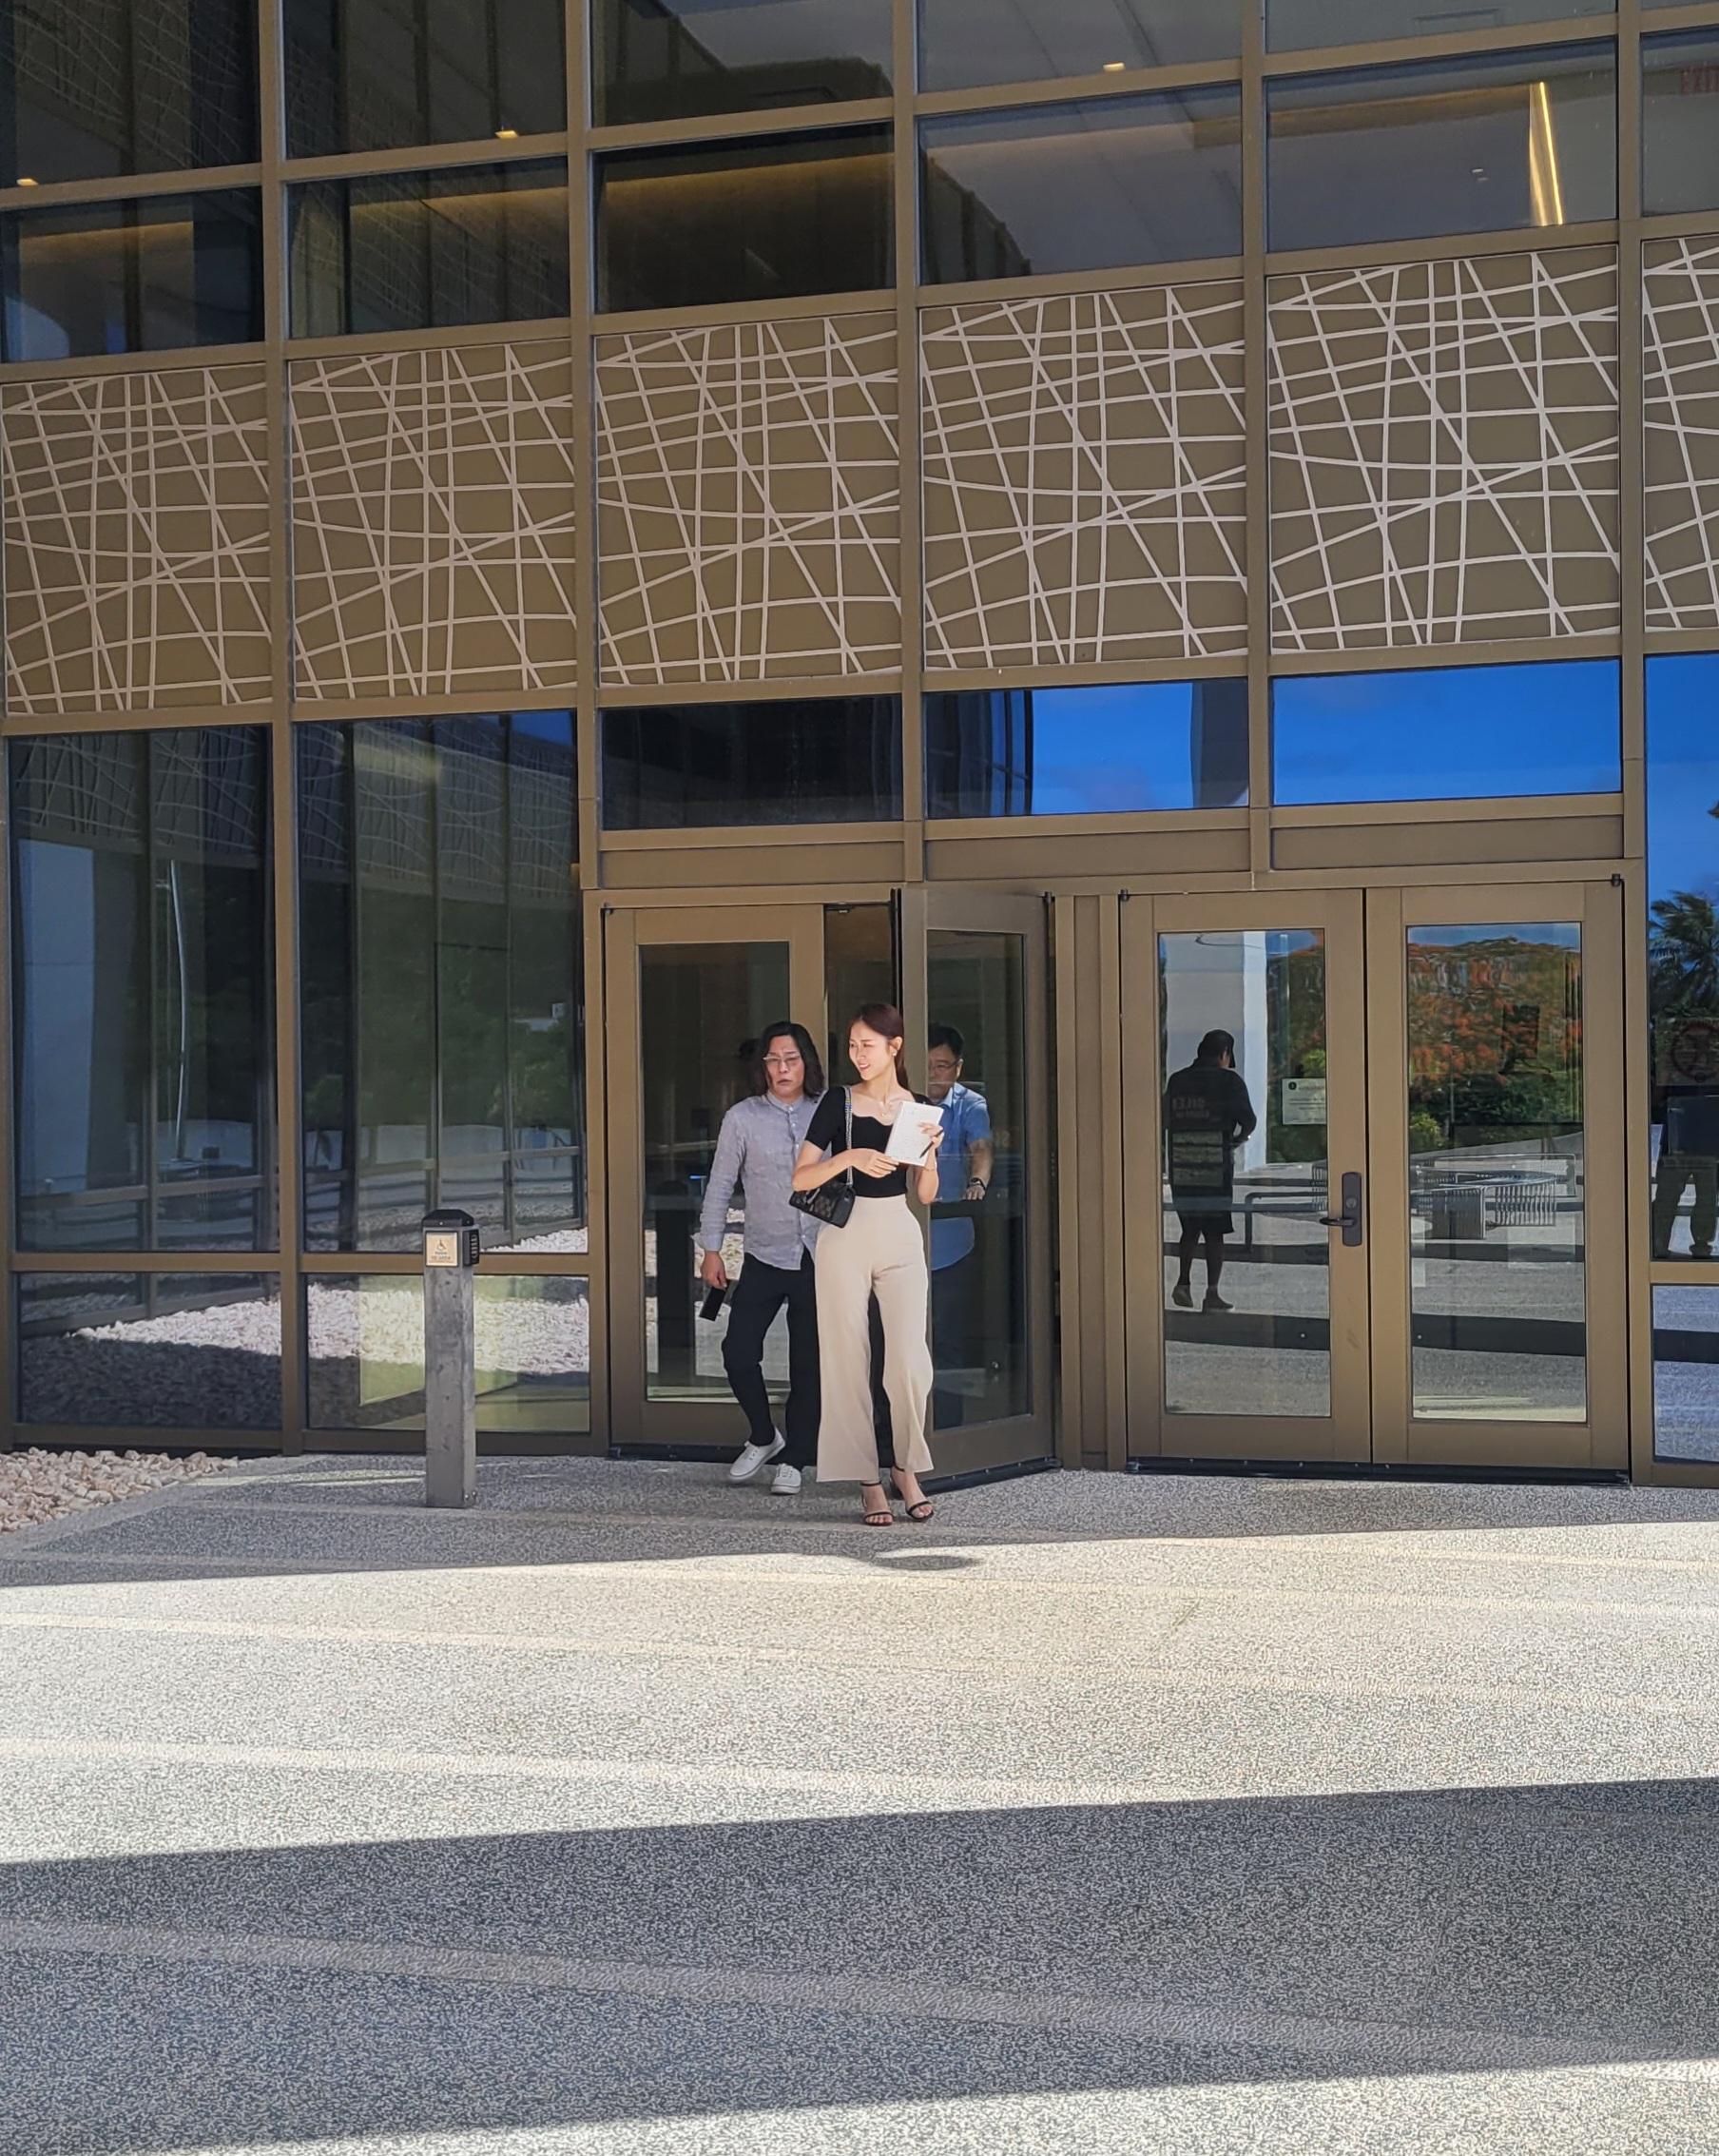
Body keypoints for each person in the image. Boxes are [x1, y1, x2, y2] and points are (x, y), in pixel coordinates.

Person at [794, 1003, 941, 1527]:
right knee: (846, 1359)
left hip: (899, 1228)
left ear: (894, 1048)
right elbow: (801, 1178)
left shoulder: (919, 1108)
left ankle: (905, 1467)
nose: (858, 1055)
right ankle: (867, 1480)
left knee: (908, 1360)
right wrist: (849, 1158)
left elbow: (926, 1194)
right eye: (853, 1045)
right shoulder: (838, 1102)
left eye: (868, 1045)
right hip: (844, 1234)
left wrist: (930, 1154)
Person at [698, 1022, 824, 1495]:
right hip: (764, 1254)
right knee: (738, 1351)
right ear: (763, 1066)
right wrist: (712, 1249)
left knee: (807, 1362)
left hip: (818, 1254)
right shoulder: (742, 1118)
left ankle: (796, 1458)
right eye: (774, 1060)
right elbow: (720, 1185)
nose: (783, 1069)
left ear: (806, 1062)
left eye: (791, 1059)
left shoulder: (829, 1110)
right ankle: (764, 1434)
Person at [925, 1024, 994, 1428]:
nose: (934, 1075)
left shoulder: (971, 1104)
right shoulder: (900, 1103)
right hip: (901, 1243)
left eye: (942, 1066)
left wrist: (977, 1182)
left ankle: (948, 1431)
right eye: (927, 1066)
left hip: (951, 1244)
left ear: (958, 1067)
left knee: (947, 1342)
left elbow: (980, 1148)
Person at [1163, 1028, 1257, 1314]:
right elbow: (1248, 1120)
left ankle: (1183, 1282)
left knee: (1189, 1228)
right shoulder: (1229, 1081)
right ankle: (1212, 1294)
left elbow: (1164, 1118)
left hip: (1182, 1163)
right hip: (1216, 1163)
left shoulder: (1178, 1080)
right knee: (1215, 1231)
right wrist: (1237, 1141)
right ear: (1225, 1053)